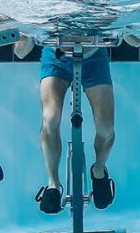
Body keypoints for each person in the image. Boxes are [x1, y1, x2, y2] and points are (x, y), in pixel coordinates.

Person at [14, 36, 117, 214]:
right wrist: (27, 31)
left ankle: (99, 170)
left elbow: (135, 41)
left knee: (105, 128)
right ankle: (53, 183)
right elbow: (20, 51)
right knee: (50, 117)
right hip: (56, 55)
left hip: (94, 55)